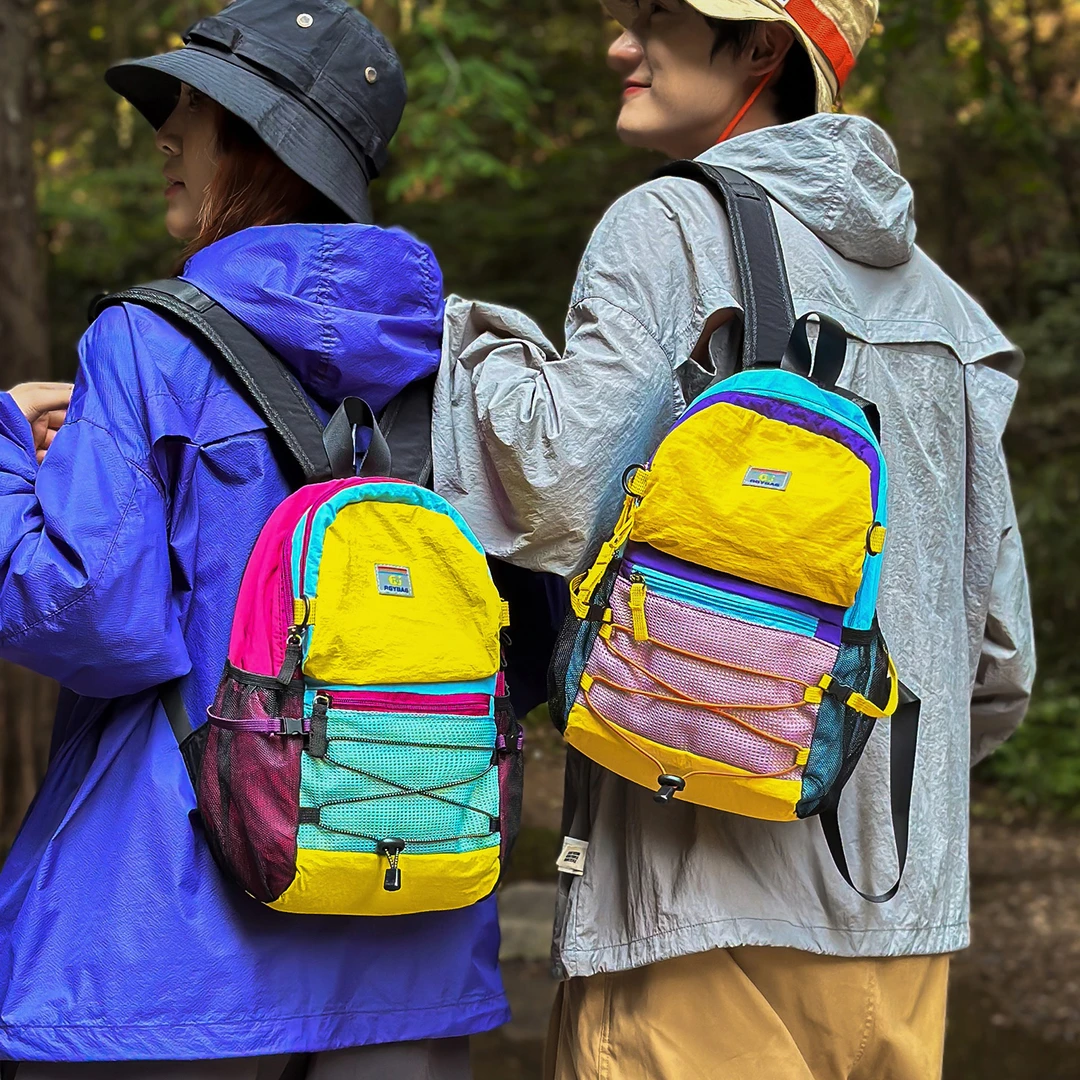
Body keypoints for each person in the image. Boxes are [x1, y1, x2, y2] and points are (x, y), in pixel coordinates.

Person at [433, 0, 1036, 1076]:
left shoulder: (667, 226)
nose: (621, 46)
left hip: (700, 910)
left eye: (657, 19)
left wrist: (471, 350)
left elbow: (559, 490)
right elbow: (997, 658)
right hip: (904, 924)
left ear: (765, 48)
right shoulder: (952, 314)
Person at [0, 1, 508, 1076]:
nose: (163, 136)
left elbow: (88, 612)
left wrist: (9, 457)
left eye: (191, 109)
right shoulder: (458, 364)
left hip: (163, 953)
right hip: (408, 931)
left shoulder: (145, 340)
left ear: (261, 137)